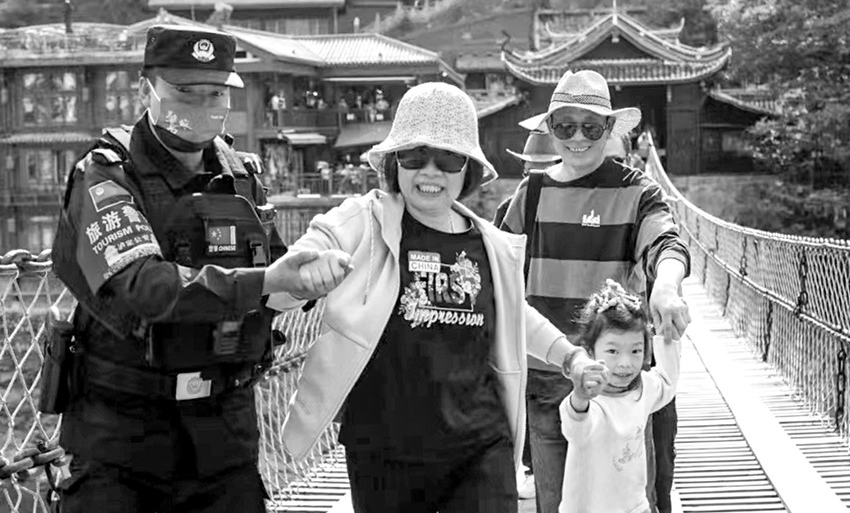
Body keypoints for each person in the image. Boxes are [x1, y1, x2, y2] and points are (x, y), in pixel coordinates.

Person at [47, 24, 352, 513]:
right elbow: (144, 288)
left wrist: (305, 279)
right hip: (122, 444)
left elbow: (273, 280)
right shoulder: (106, 173)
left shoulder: (241, 174)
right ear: (146, 89)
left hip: (224, 441)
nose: (202, 105)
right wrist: (269, 280)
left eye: (215, 93)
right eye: (185, 93)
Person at [267, 82, 607, 513]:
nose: (430, 172)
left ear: (468, 170)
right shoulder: (361, 222)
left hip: (479, 445)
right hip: (384, 449)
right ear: (395, 163)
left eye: (448, 159)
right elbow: (284, 283)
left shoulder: (491, 244)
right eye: (415, 157)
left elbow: (513, 313)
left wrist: (570, 357)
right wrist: (300, 279)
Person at [499, 69, 691, 513]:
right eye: (566, 126)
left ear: (608, 130)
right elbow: (498, 272)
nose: (578, 138)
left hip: (617, 380)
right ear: (550, 129)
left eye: (591, 127)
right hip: (548, 375)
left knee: (629, 500)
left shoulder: (636, 191)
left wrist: (666, 285)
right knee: (556, 502)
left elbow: (666, 243)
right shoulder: (531, 193)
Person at [560, 279, 681, 513]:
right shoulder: (590, 400)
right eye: (613, 351)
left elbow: (667, 383)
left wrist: (670, 336)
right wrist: (580, 397)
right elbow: (575, 430)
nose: (625, 363)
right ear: (589, 352)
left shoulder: (643, 388)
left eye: (636, 351)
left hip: (635, 507)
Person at [491, 128, 560, 500]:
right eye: (529, 169)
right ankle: (531, 470)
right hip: (525, 316)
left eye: (542, 167)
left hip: (561, 325)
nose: (534, 175)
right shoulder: (511, 206)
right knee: (525, 399)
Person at [492, 129, 561, 228]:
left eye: (545, 173)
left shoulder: (575, 203)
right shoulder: (507, 209)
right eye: (530, 173)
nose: (536, 180)